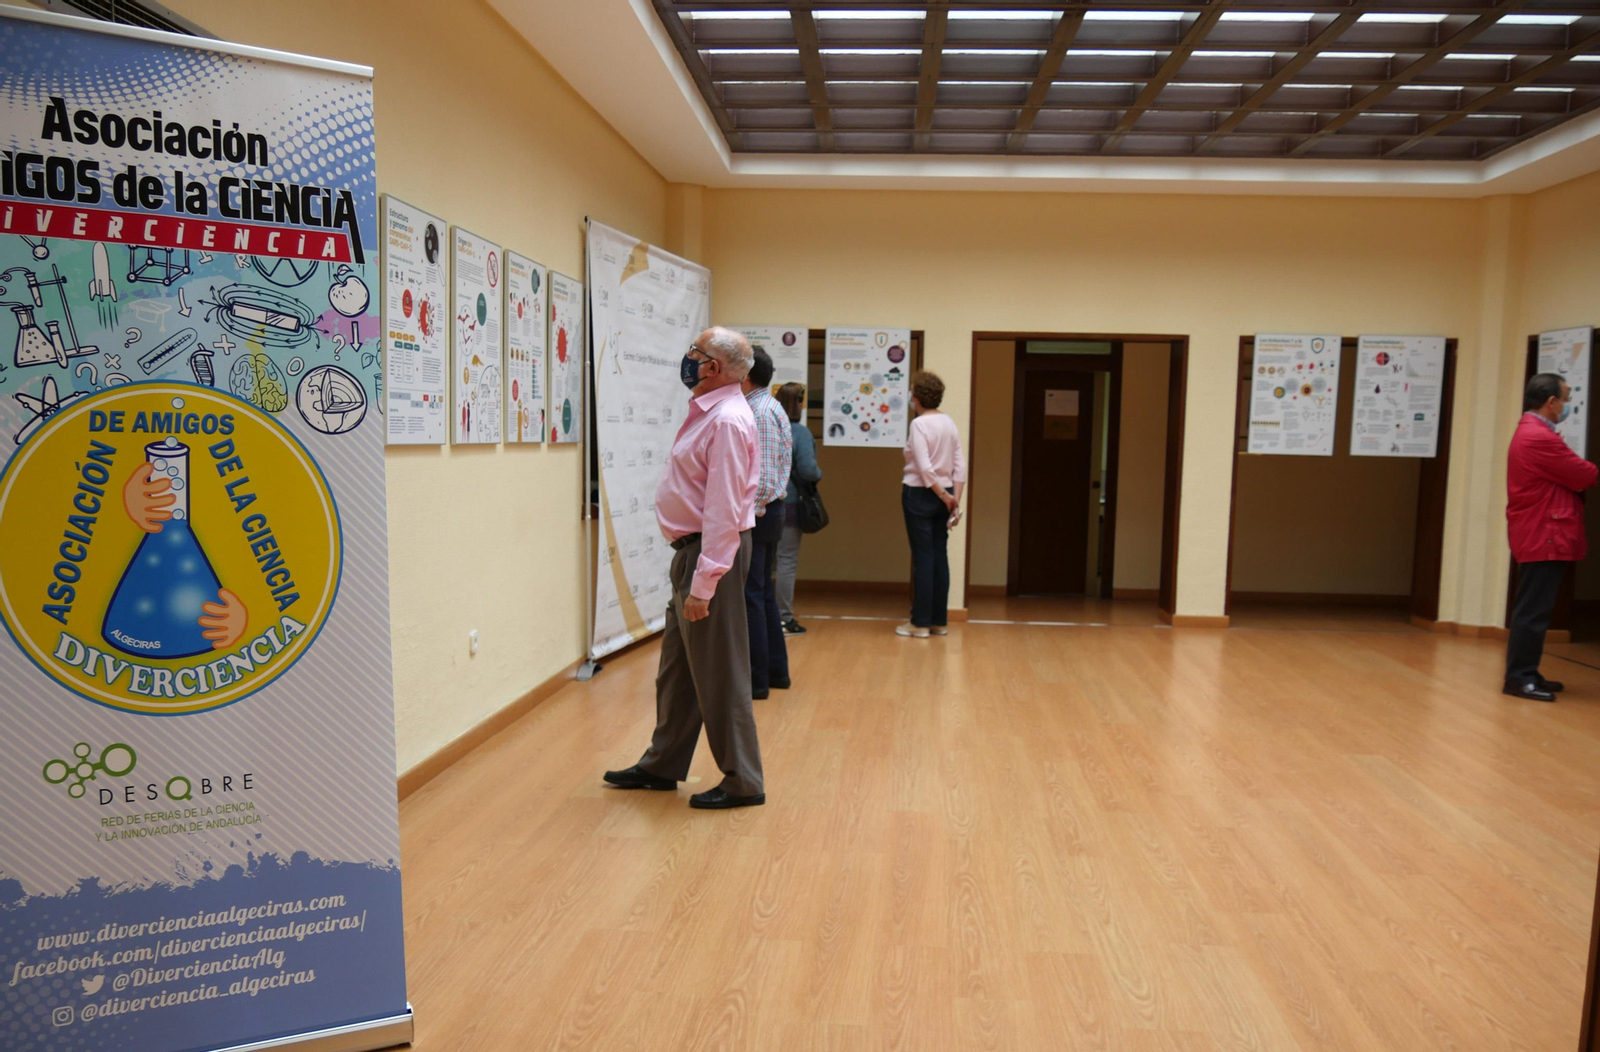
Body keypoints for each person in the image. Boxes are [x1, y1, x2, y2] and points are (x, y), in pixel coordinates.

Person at [604, 327, 766, 808]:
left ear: (713, 366)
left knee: (718, 671)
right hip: (692, 554)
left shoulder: (728, 422)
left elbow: (722, 510)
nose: (687, 358)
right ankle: (662, 764)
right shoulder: (710, 413)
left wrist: (705, 582)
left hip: (710, 555)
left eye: (693, 351)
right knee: (678, 669)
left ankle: (743, 780)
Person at [1505, 372, 1598, 702]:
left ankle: (1528, 672)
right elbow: (1584, 474)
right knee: (1533, 611)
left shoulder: (1532, 432)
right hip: (1544, 532)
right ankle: (1519, 677)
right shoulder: (1539, 437)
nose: (1568, 406)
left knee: (1536, 608)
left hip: (1543, 530)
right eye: (1566, 398)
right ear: (1551, 402)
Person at [898, 370, 965, 639]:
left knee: (923, 557)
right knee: (940, 555)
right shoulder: (948, 423)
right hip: (945, 494)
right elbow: (960, 465)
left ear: (917, 397)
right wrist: (953, 498)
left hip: (920, 494)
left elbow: (925, 469)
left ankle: (920, 623)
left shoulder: (919, 425)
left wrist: (943, 496)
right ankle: (939, 621)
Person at [742, 348, 793, 699]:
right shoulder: (772, 406)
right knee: (763, 595)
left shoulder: (758, 411)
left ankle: (757, 680)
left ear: (745, 375)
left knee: (752, 596)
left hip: (761, 512)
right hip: (771, 510)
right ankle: (776, 673)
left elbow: (761, 478)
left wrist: (751, 512)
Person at [776, 382, 820, 635]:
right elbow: (808, 470)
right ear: (798, 404)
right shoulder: (800, 433)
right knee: (786, 561)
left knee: (761, 562)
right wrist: (820, 474)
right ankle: (784, 619)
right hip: (791, 504)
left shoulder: (765, 427)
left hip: (762, 504)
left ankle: (759, 617)